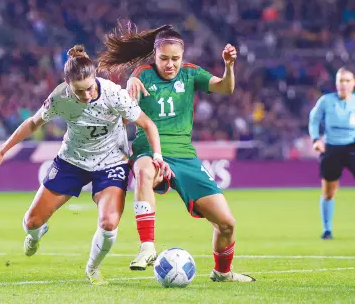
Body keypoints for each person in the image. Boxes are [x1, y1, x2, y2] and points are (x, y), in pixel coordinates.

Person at [0, 45, 172, 285]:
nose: (86, 96)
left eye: (90, 88)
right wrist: (2, 150)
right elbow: (32, 124)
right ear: (67, 84)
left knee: (109, 223)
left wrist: (157, 155)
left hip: (111, 162)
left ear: (96, 79)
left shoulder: (114, 94)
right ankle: (37, 234)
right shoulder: (60, 97)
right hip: (72, 161)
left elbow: (148, 125)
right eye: (79, 91)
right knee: (31, 222)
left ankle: (92, 268)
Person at [98, 22, 255, 282]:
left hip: (185, 156)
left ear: (183, 57)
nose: (170, 64)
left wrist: (228, 66)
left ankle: (222, 273)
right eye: (164, 59)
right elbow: (127, 109)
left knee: (227, 223)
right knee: (143, 170)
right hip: (149, 149)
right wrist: (130, 88)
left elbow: (226, 88)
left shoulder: (191, 74)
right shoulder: (142, 74)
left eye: (175, 59)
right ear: (154, 56)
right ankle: (147, 246)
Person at [309, 67, 355, 240]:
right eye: (340, 81)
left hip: (354, 147)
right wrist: (316, 140)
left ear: (354, 83)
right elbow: (314, 120)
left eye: (347, 80)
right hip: (331, 148)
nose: (343, 84)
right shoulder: (326, 101)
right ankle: (327, 229)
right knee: (329, 192)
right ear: (336, 83)